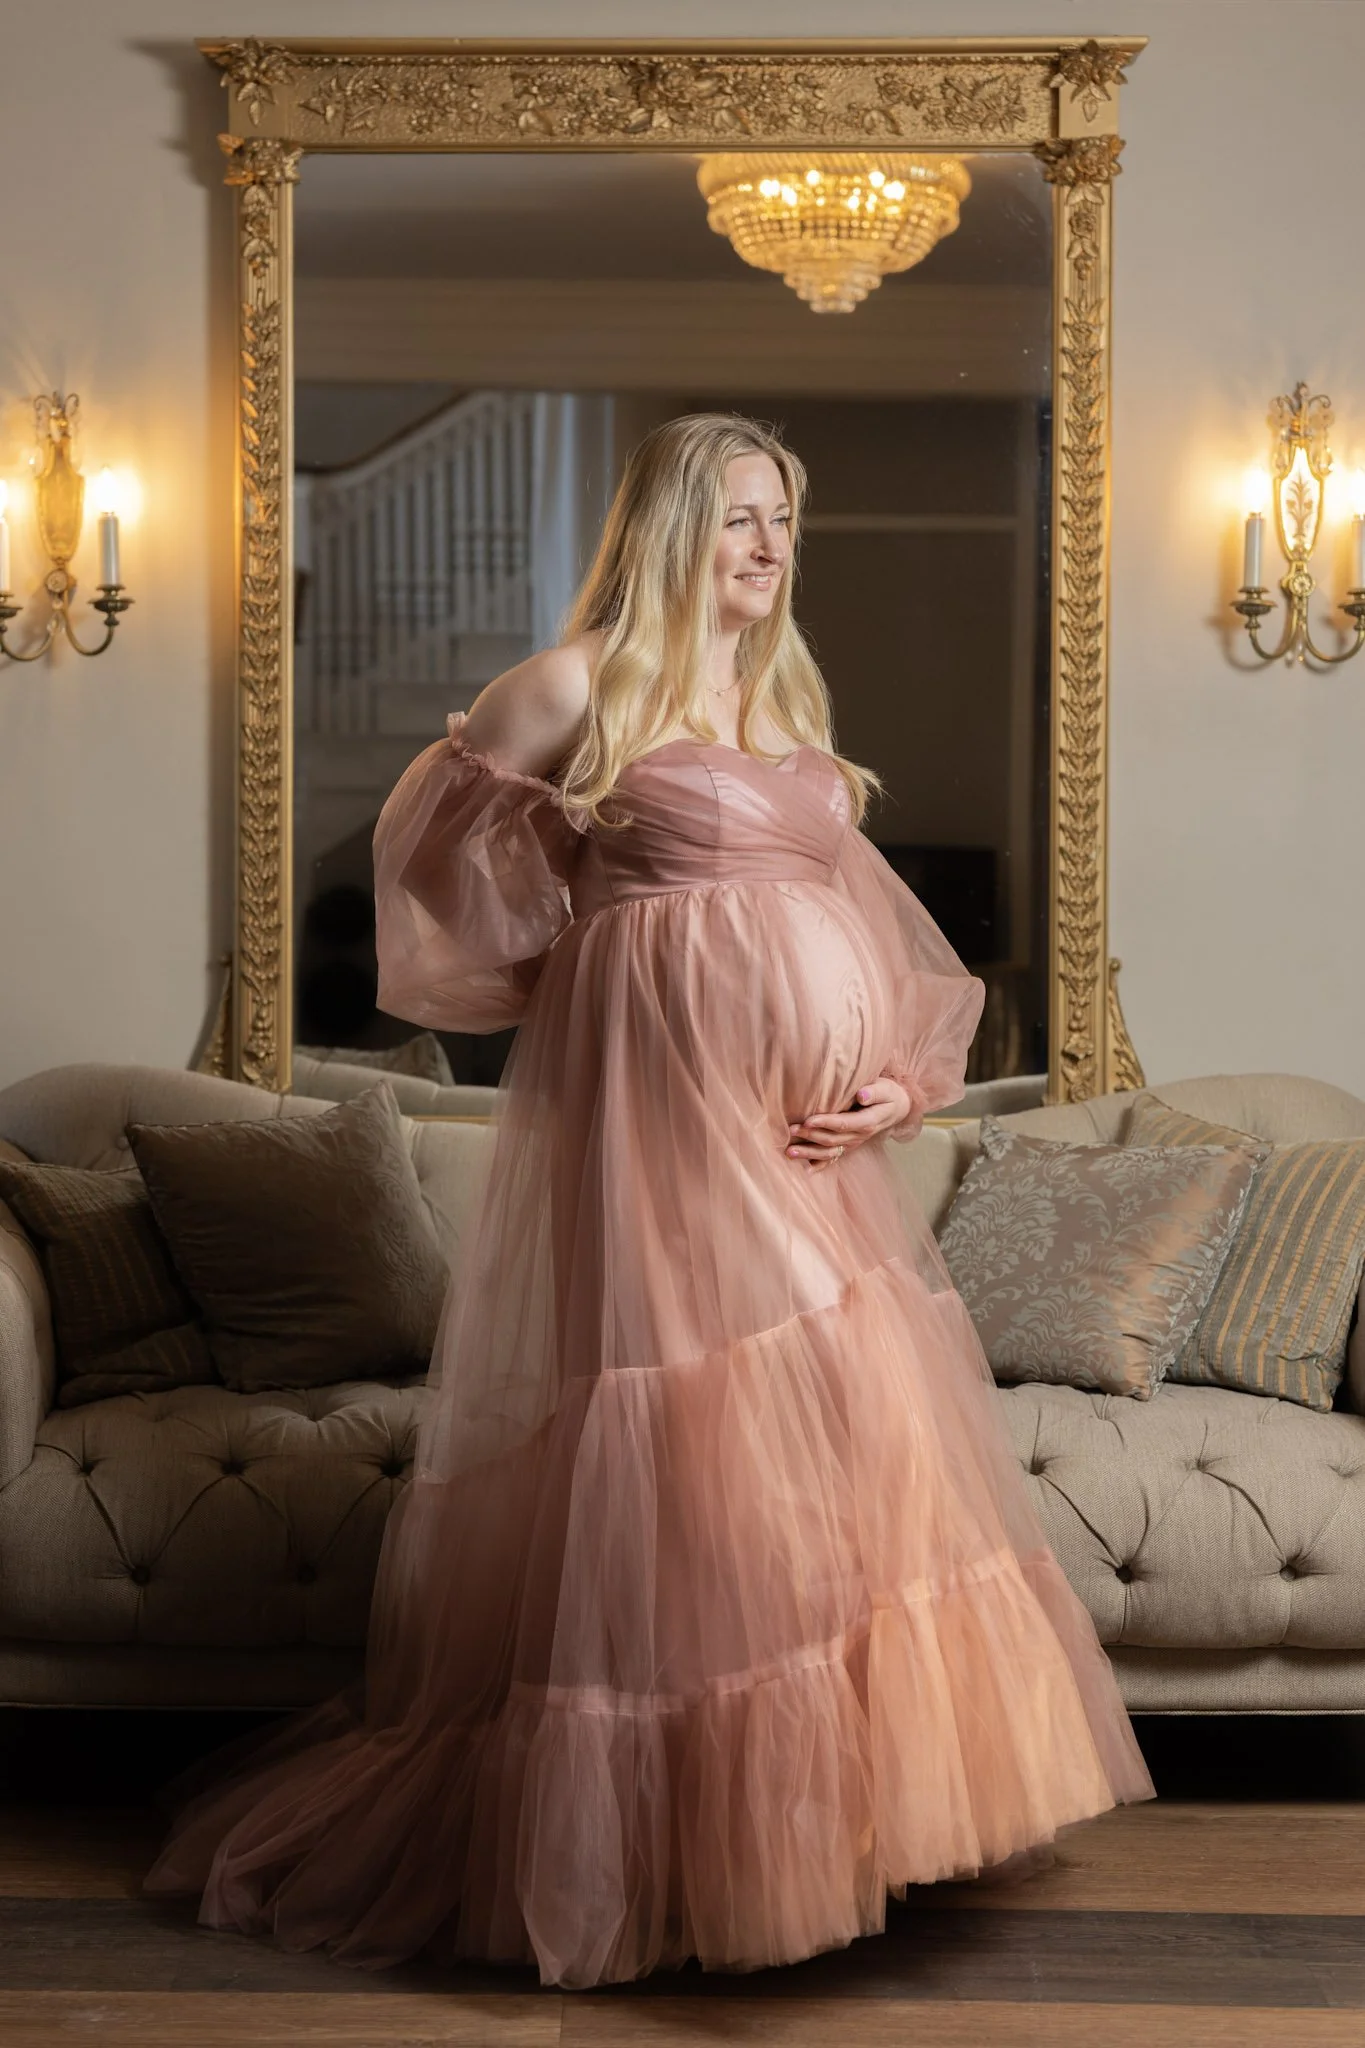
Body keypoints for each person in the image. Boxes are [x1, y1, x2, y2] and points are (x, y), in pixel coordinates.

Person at [146, 412, 1153, 1987]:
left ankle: (832, 1829)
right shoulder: (570, 689)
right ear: (676, 527)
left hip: (814, 1152)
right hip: (667, 1140)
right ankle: (683, 1854)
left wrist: (894, 1077)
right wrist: (594, 973)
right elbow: (434, 867)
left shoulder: (774, 696)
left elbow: (853, 917)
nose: (772, 548)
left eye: (784, 522)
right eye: (744, 518)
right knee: (697, 1445)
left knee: (837, 1446)